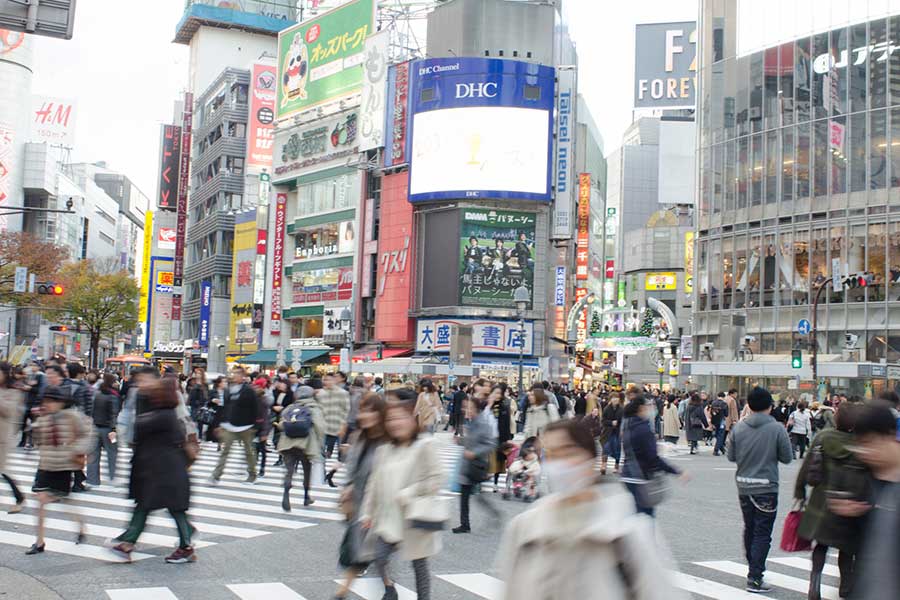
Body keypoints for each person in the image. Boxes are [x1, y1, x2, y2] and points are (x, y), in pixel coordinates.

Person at [497, 419, 685, 600]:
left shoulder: (627, 535)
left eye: (568, 453)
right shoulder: (525, 529)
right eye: (551, 455)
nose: (559, 464)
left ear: (589, 459)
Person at [360, 388, 444, 600]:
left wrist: (410, 492)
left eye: (401, 418)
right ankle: (390, 588)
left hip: (414, 515)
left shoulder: (425, 445)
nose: (395, 422)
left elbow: (436, 479)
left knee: (419, 565)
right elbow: (374, 483)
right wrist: (367, 512)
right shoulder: (384, 449)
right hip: (389, 517)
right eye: (391, 419)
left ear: (412, 420)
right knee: (379, 557)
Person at [108, 378, 197, 563]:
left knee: (149, 506)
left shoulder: (156, 417)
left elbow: (135, 434)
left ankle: (183, 547)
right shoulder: (170, 415)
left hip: (157, 470)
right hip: (169, 469)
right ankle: (129, 544)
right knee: (169, 508)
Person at [793, 401, 869, 600]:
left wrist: (800, 492)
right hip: (850, 505)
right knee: (847, 549)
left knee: (821, 546)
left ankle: (814, 587)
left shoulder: (823, 437)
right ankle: (846, 589)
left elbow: (806, 468)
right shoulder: (860, 443)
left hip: (821, 502)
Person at [726, 387, 793, 593]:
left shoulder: (739, 428)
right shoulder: (777, 429)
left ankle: (753, 566)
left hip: (744, 485)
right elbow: (787, 457)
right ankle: (755, 576)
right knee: (763, 532)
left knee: (750, 527)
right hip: (766, 487)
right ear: (770, 406)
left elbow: (731, 456)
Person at [26, 385, 93, 555]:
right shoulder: (43, 418)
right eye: (45, 401)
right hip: (46, 466)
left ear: (60, 403)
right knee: (42, 501)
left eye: (51, 401)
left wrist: (75, 449)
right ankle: (39, 542)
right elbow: (38, 441)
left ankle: (81, 525)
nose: (48, 404)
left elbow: (87, 434)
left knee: (64, 499)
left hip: (63, 466)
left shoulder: (72, 417)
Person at [334, 392, 388, 600]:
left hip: (377, 506)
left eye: (371, 411)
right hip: (357, 505)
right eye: (364, 410)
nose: (365, 415)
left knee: (370, 553)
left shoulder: (387, 441)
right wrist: (347, 487)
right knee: (360, 552)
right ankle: (387, 589)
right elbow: (352, 469)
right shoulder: (359, 437)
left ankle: (342, 594)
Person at [845, 404, 900, 600]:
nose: (865, 452)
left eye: (870, 443)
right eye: (861, 445)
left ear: (890, 435)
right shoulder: (868, 481)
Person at [621, 395, 683, 517]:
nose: (651, 409)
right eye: (649, 406)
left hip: (628, 474)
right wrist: (676, 471)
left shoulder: (628, 425)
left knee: (636, 515)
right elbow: (652, 458)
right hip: (640, 476)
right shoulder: (643, 429)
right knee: (644, 517)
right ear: (641, 408)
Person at [210, 366, 265, 485]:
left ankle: (252, 475)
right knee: (225, 451)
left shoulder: (249, 390)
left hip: (246, 425)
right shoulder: (228, 389)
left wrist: (256, 425)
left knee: (249, 452)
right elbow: (226, 408)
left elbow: (256, 408)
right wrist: (221, 423)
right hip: (230, 425)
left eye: (237, 374)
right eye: (233, 373)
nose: (234, 376)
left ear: (243, 376)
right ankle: (216, 475)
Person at [454, 393, 499, 533]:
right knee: (466, 496)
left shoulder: (482, 423)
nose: (466, 410)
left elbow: (491, 443)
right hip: (468, 466)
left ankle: (493, 513)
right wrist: (460, 441)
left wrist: (475, 452)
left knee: (478, 496)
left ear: (476, 409)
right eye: (465, 408)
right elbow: (471, 442)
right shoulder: (471, 422)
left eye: (469, 408)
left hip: (476, 465)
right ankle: (465, 524)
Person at [276, 385, 324, 510]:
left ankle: (286, 493)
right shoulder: (314, 408)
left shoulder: (289, 408)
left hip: (287, 443)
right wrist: (320, 444)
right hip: (306, 444)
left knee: (289, 471)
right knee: (307, 469)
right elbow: (320, 427)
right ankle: (306, 496)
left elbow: (282, 425)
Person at [0, 362, 25, 513]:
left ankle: (19, 497)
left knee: (3, 470)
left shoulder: (13, 392)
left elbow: (8, 411)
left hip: (2, 436)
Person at [86, 373, 120, 487]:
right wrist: (114, 429)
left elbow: (90, 410)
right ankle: (111, 476)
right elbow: (114, 414)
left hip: (95, 427)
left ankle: (92, 480)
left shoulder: (96, 394)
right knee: (112, 452)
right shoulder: (113, 396)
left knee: (93, 454)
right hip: (109, 429)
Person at [319, 373, 350, 487]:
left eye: (329, 380)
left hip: (338, 428)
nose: (327, 382)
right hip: (323, 428)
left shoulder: (343, 393)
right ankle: (322, 474)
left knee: (341, 454)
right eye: (325, 380)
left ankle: (331, 474)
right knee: (320, 453)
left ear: (334, 380)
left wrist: (344, 426)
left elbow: (347, 410)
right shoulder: (321, 394)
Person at [598, 392, 623, 474]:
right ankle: (603, 465)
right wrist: (611, 422)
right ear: (610, 399)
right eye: (613, 398)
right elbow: (603, 421)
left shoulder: (621, 409)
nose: (615, 399)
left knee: (617, 448)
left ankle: (616, 466)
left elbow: (623, 421)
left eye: (617, 398)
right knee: (606, 448)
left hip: (617, 432)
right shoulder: (606, 409)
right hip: (607, 432)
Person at [187, 369, 208, 440]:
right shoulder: (193, 382)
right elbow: (190, 394)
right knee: (193, 422)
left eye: (199, 373)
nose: (197, 375)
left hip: (201, 406)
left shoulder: (204, 384)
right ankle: (193, 437)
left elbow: (206, 396)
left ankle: (199, 437)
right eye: (196, 373)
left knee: (200, 423)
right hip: (193, 406)